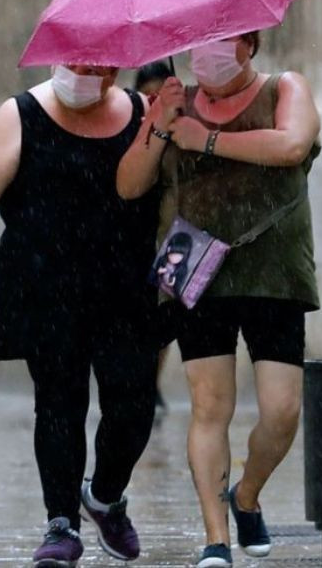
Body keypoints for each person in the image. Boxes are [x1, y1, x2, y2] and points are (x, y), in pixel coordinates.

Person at [0, 63, 160, 567]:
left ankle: (105, 497)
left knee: (133, 404)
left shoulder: (141, 110)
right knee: (59, 405)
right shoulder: (18, 115)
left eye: (97, 66)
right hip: (45, 285)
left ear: (112, 70)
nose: (86, 74)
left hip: (125, 287)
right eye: (77, 63)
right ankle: (60, 522)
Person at [117, 32, 321, 568]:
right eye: (199, 44)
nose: (206, 53)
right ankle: (216, 537)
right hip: (197, 271)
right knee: (210, 406)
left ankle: (246, 494)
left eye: (222, 41)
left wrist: (204, 139)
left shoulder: (284, 88)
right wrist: (161, 125)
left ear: (250, 44)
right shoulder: (174, 104)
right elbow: (129, 185)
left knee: (282, 410)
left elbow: (292, 146)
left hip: (275, 271)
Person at [132, 59, 177, 418]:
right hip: (137, 236)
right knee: (145, 316)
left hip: (175, 239)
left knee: (166, 319)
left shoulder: (184, 121)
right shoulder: (131, 122)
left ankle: (151, 382)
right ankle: (142, 383)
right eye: (149, 94)